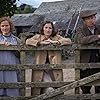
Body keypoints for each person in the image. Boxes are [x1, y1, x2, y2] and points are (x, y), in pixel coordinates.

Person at [26, 20, 71, 96]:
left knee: (56, 87)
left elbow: (68, 41)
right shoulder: (38, 37)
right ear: (43, 29)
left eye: (50, 28)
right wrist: (40, 43)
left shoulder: (56, 37)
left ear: (52, 29)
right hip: (41, 69)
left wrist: (56, 42)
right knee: (47, 87)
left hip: (53, 68)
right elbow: (28, 41)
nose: (48, 30)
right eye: (46, 27)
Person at [76, 9, 100, 96]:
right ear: (84, 21)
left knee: (99, 89)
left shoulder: (99, 27)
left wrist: (94, 40)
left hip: (98, 61)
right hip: (85, 64)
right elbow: (82, 40)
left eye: (92, 18)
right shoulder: (80, 29)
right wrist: (97, 37)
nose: (91, 20)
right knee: (86, 90)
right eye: (88, 18)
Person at [0, 17, 21, 96]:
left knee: (12, 85)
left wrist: (12, 47)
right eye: (2, 26)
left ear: (10, 26)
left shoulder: (16, 40)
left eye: (6, 25)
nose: (5, 28)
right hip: (1, 67)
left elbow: (20, 55)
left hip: (13, 67)